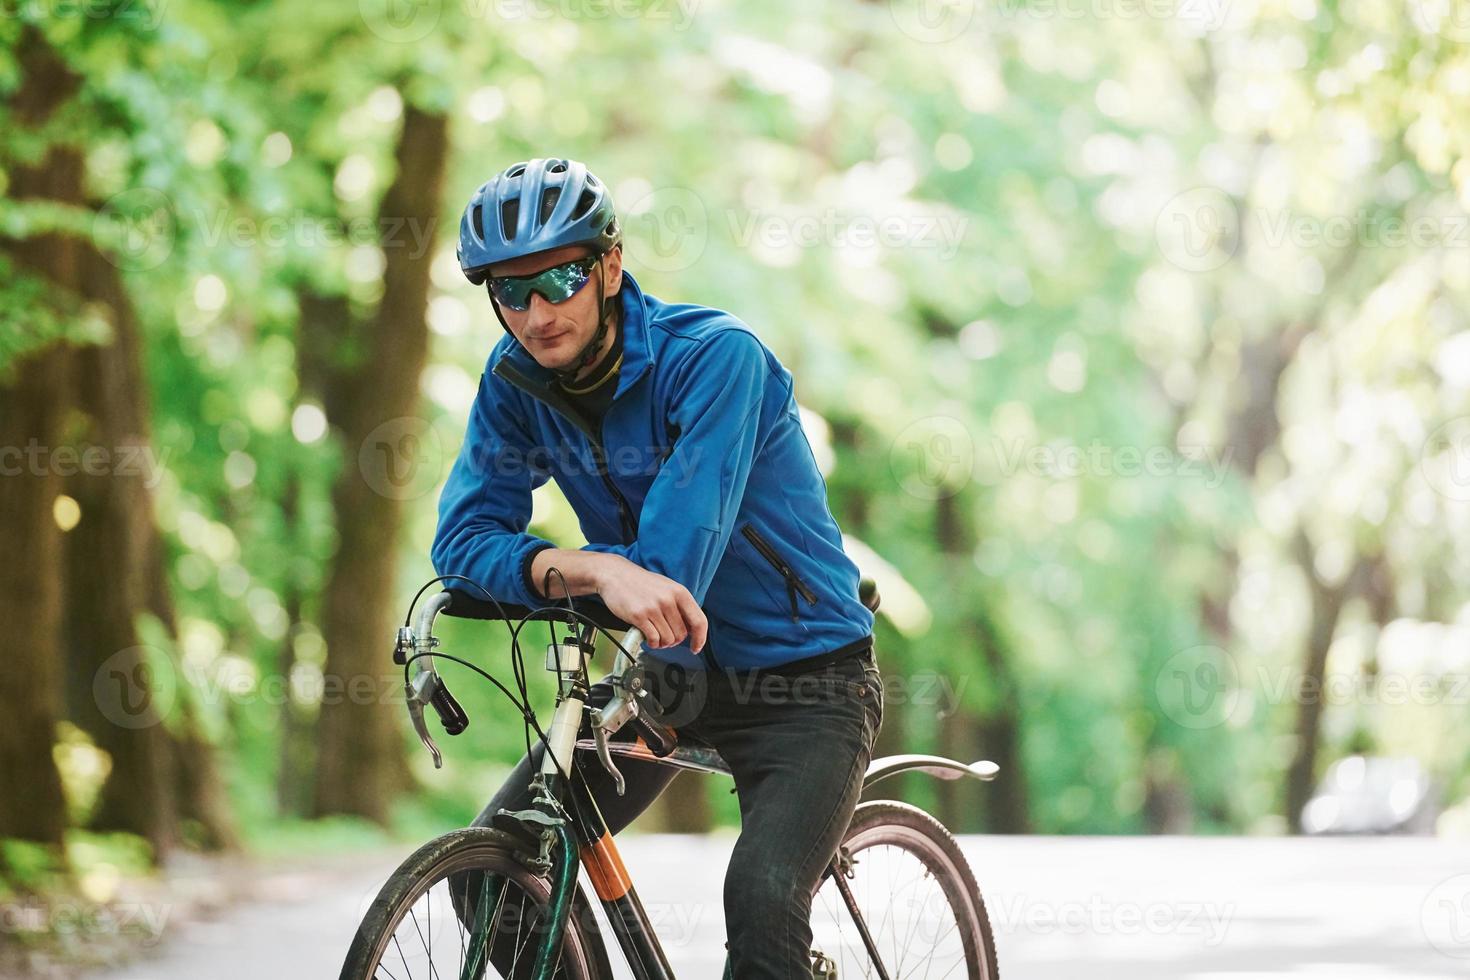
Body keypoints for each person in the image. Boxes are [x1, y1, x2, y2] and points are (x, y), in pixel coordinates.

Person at [432, 157, 884, 979]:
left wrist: (599, 575)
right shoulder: (514, 384)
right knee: (492, 877)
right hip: (671, 682)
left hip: (808, 685)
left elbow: (672, 570)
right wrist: (587, 570)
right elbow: (462, 542)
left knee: (762, 897)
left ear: (608, 265)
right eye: (509, 292)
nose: (536, 314)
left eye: (559, 279)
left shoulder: (717, 360)